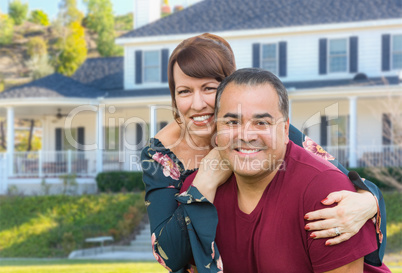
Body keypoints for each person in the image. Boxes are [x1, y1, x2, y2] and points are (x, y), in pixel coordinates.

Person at [141, 33, 386, 273]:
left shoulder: (270, 130)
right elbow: (169, 255)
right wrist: (206, 180)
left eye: (208, 88)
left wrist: (369, 201)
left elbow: (334, 178)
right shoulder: (161, 154)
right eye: (184, 91)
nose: (197, 103)